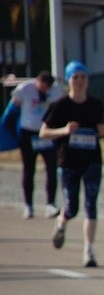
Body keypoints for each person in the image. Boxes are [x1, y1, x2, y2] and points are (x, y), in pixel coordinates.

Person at [39, 61, 104, 267]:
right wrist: (64, 131)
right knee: (73, 207)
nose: (79, 81)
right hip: (68, 161)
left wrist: (102, 131)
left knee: (91, 204)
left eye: (83, 77)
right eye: (75, 77)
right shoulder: (60, 106)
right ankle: (61, 223)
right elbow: (43, 133)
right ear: (69, 81)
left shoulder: (95, 105)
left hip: (92, 160)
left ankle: (88, 251)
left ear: (88, 80)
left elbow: (101, 129)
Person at [0, 71, 64, 218]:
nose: (44, 90)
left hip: (46, 134)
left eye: (47, 88)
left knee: (51, 168)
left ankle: (50, 204)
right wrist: (8, 130)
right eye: (42, 86)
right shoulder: (25, 89)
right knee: (29, 170)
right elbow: (12, 109)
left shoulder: (56, 92)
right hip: (28, 134)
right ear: (38, 81)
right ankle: (28, 205)